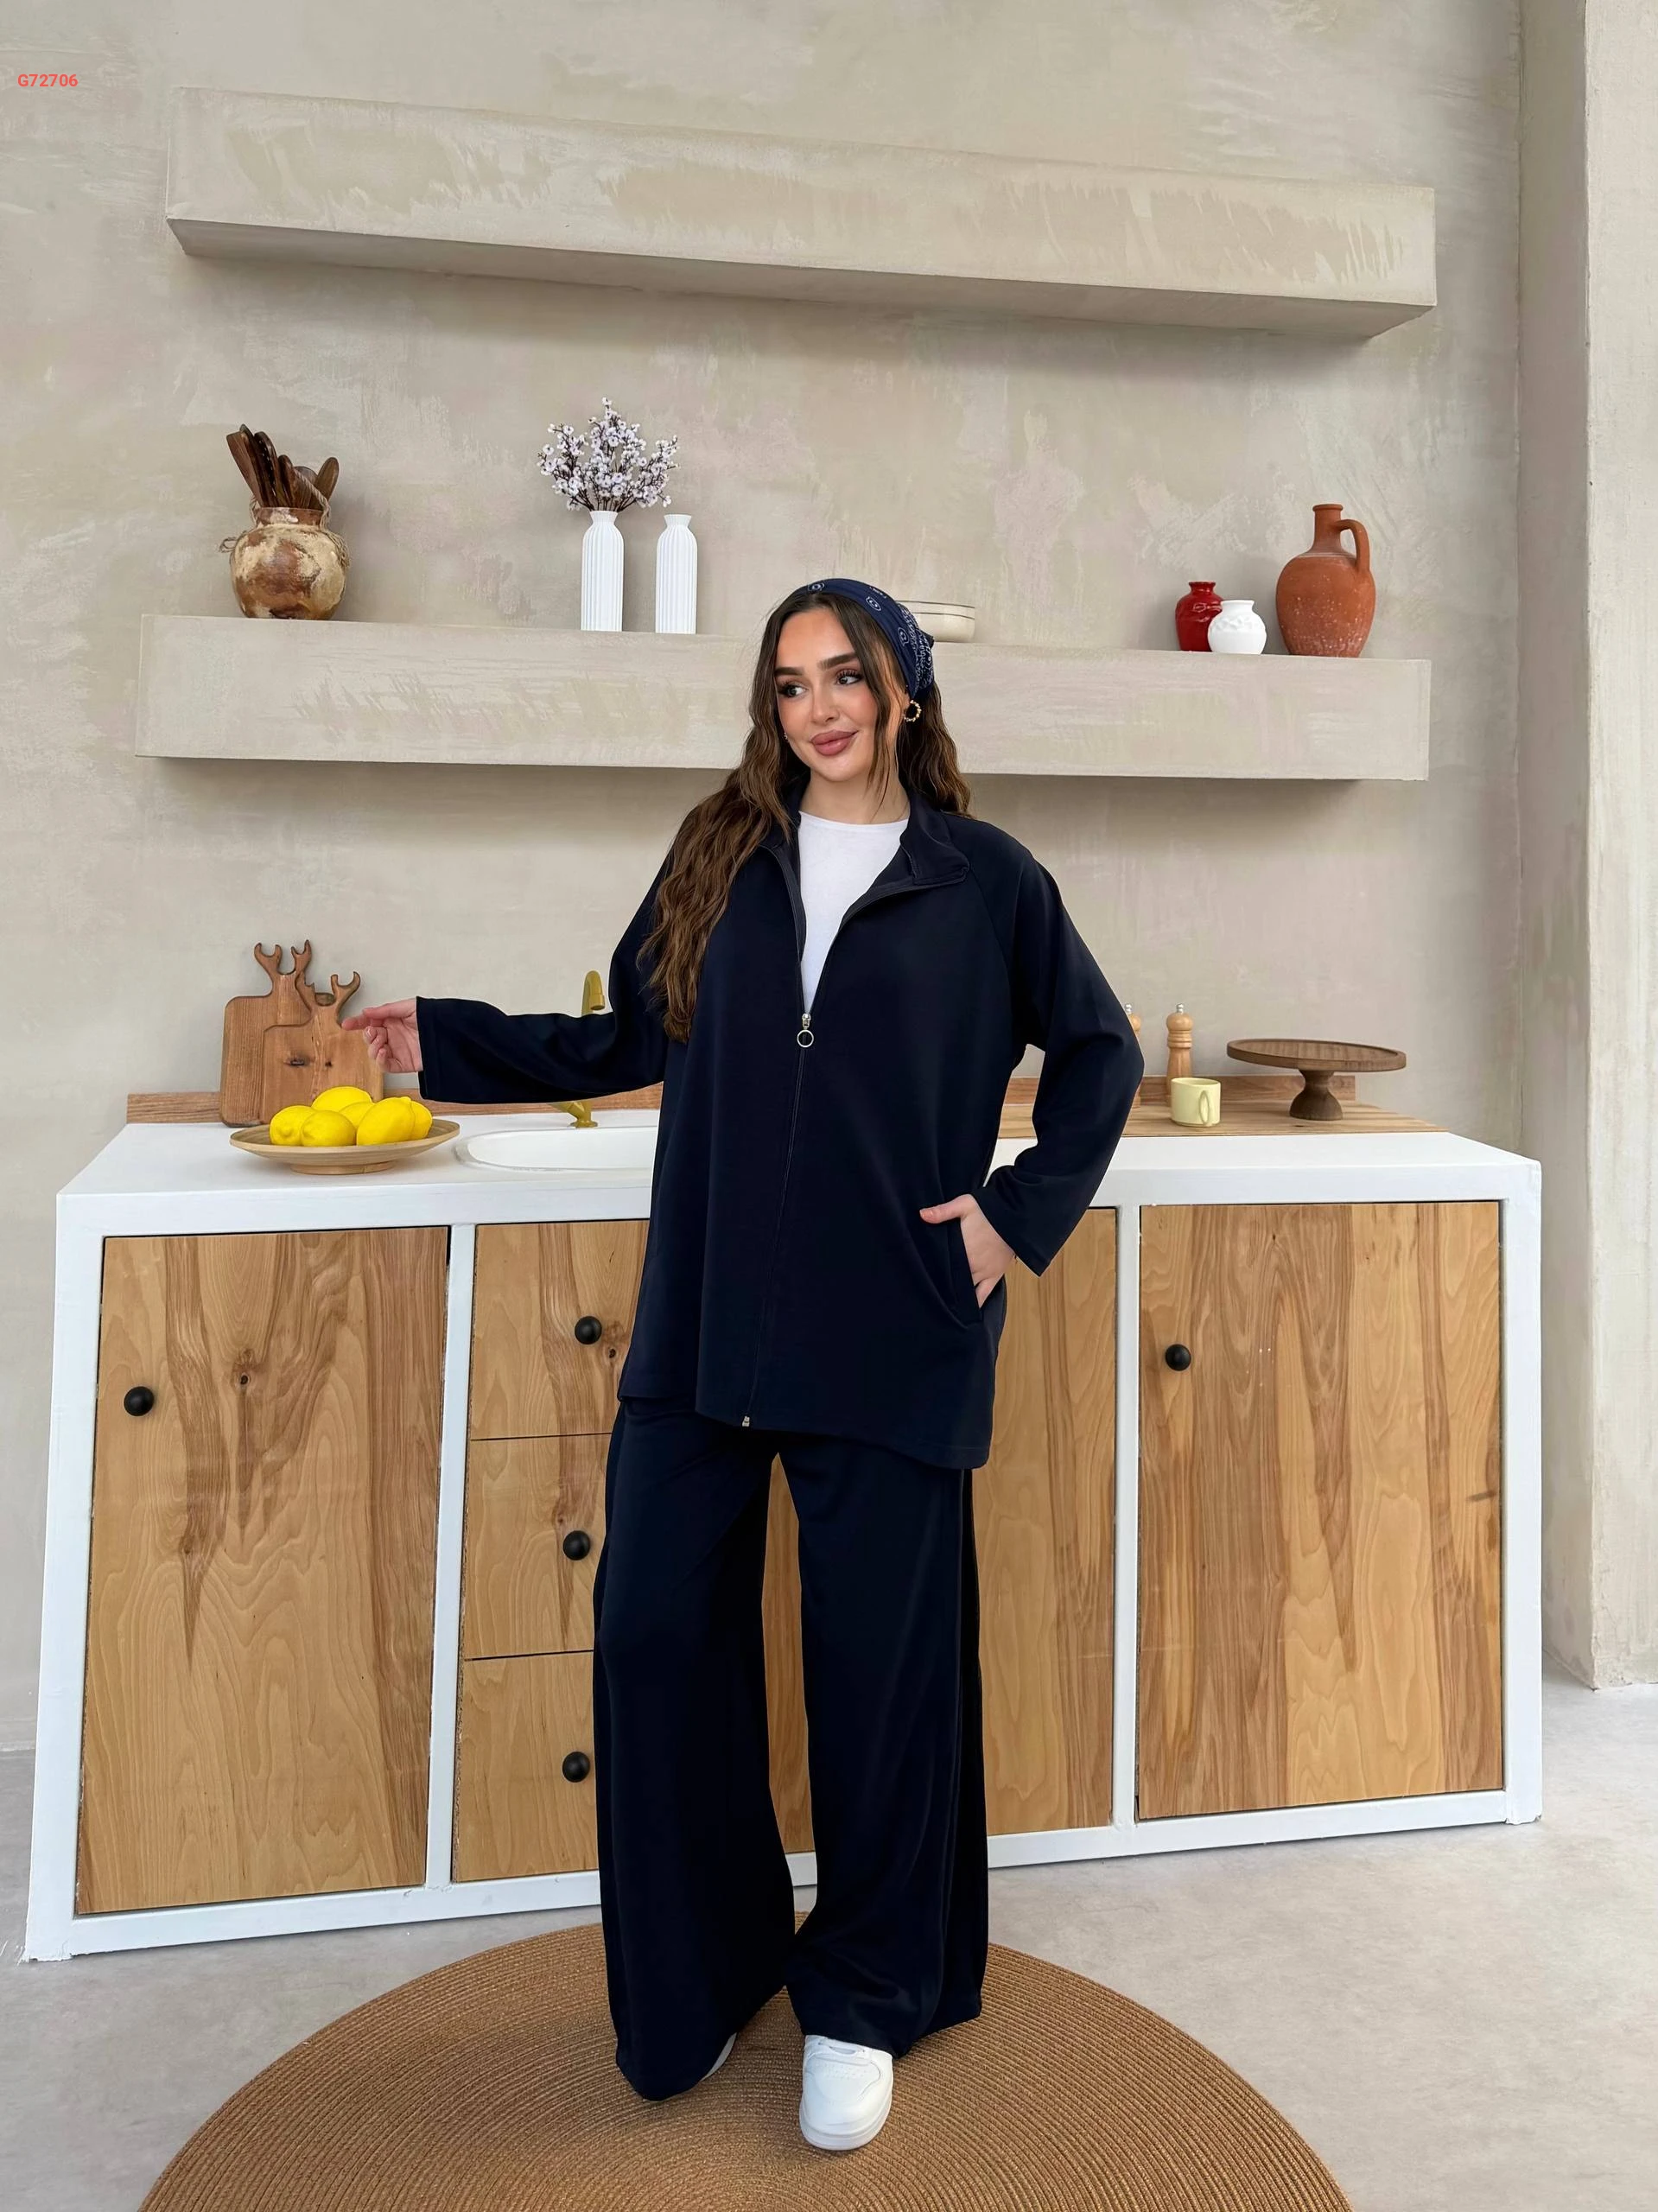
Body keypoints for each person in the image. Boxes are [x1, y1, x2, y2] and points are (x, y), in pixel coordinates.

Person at [346, 577, 1143, 2154]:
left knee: (878, 1681)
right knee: (652, 1636)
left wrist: (1010, 1220)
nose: (816, 709)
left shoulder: (985, 878)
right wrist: (446, 1038)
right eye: (788, 684)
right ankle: (705, 1969)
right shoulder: (720, 848)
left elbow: (1099, 1055)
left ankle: (863, 1994)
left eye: (844, 676)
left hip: (894, 1324)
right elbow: (624, 1041)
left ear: (903, 691)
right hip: (707, 1324)